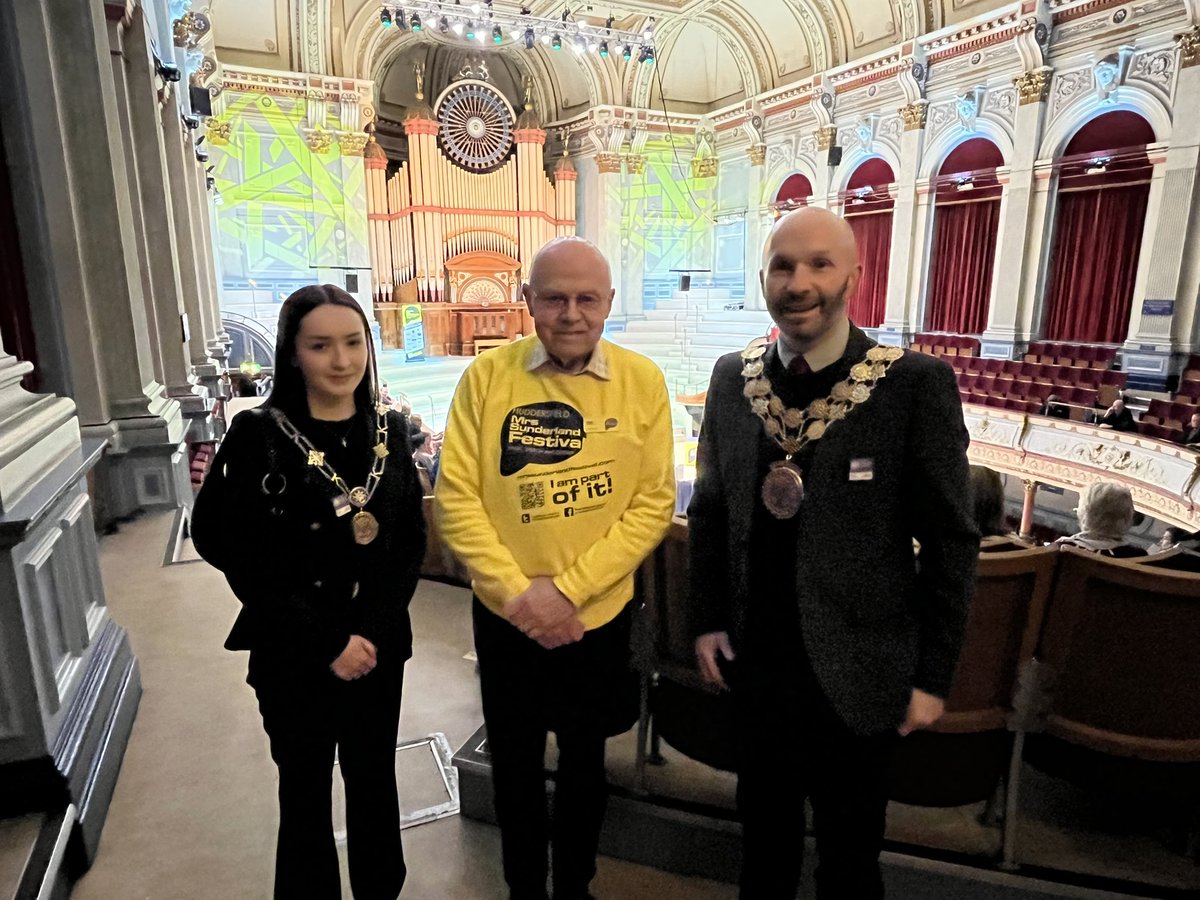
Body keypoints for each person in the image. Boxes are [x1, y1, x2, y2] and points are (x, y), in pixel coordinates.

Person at [688, 207, 978, 899]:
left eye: (820, 264)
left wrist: (933, 678)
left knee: (850, 867)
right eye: (782, 266)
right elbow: (710, 511)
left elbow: (951, 541)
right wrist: (707, 618)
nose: (799, 283)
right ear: (763, 278)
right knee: (763, 856)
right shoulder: (732, 377)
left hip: (860, 675)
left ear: (854, 275)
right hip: (757, 667)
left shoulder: (912, 384)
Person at [435, 236, 675, 900]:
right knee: (513, 767)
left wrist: (567, 592)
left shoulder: (642, 381)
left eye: (586, 299)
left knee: (584, 765)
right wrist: (520, 595)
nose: (572, 314)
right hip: (506, 619)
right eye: (555, 298)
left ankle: (573, 888)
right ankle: (523, 890)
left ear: (609, 302)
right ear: (528, 300)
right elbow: (457, 498)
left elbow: (652, 503)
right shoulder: (485, 378)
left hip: (595, 618)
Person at [191, 284, 426, 899]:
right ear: (293, 353)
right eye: (321, 346)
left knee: (374, 782)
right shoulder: (257, 435)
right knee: (304, 793)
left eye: (353, 343)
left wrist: (369, 632)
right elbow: (229, 547)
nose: (342, 361)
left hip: (377, 648)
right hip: (293, 649)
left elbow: (407, 544)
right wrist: (328, 642)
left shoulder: (389, 429)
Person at [1053, 482, 1146, 558]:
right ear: (1128, 518)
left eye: (1078, 508)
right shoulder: (1140, 557)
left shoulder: (1059, 549)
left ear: (1085, 515)